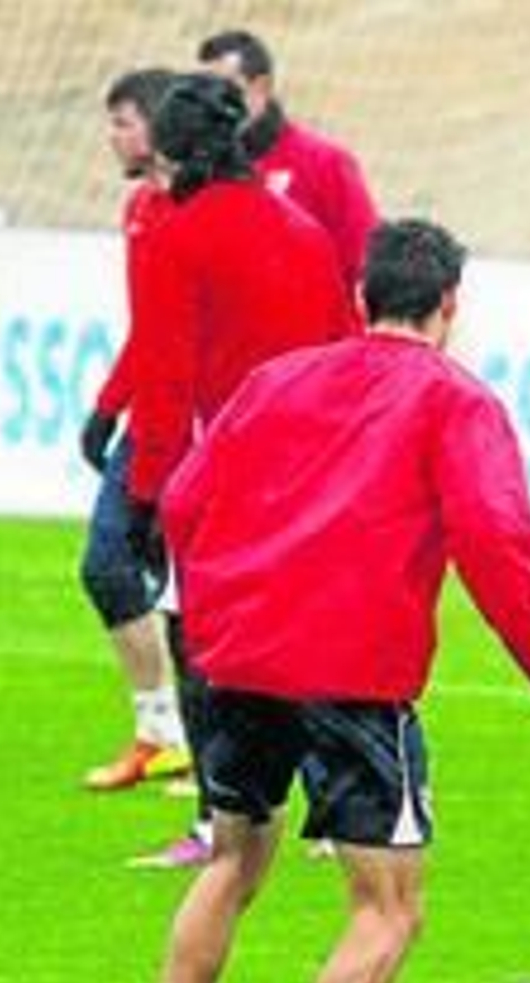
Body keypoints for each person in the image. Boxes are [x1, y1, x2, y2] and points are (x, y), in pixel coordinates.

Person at [118, 218, 530, 983]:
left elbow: (183, 500)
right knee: (388, 907)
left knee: (232, 861)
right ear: (450, 306)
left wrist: (229, 610)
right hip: (349, 679)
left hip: (234, 666)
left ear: (359, 299)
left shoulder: (277, 380)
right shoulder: (455, 402)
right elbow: (500, 550)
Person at [120, 72, 356, 869]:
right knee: (311, 632)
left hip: (221, 477)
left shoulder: (175, 236)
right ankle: (335, 807)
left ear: (174, 150)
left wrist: (149, 494)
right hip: (313, 468)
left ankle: (219, 817)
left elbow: (165, 380)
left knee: (201, 640)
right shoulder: (303, 231)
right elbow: (343, 347)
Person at [77, 67, 191, 794]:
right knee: (107, 566)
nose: (113, 136)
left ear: (157, 127)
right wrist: (107, 407)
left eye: (123, 122)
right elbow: (149, 329)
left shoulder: (195, 213)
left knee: (201, 597)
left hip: (194, 427)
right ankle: (161, 731)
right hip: (149, 418)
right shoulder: (141, 209)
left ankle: (223, 759)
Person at [198, 28, 379, 289]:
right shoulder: (198, 170)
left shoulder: (326, 163)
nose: (211, 104)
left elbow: (364, 266)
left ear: (262, 86)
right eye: (202, 92)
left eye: (223, 90)